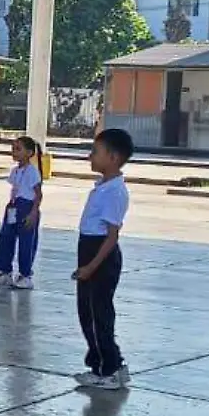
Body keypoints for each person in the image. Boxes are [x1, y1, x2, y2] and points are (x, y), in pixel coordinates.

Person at [73, 128, 133, 391]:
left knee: (99, 316)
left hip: (101, 256)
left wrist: (91, 267)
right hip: (89, 250)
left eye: (95, 152)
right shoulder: (103, 187)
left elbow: (111, 237)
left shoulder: (115, 192)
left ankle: (109, 369)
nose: (90, 157)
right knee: (87, 313)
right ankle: (102, 365)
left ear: (113, 157)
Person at [0, 135, 44, 290]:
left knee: (26, 242)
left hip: (27, 207)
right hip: (13, 207)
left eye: (18, 149)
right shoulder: (15, 171)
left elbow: (38, 194)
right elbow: (15, 188)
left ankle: (25, 275)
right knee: (6, 238)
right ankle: (5, 271)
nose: (14, 152)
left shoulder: (32, 172)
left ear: (29, 153)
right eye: (13, 149)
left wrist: (33, 212)